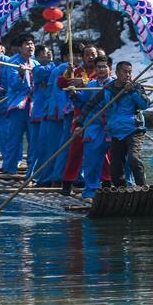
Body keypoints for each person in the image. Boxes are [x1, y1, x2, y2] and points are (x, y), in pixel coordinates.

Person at [71, 56, 115, 199]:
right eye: (99, 67)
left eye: (104, 66)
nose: (101, 69)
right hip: (93, 127)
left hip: (113, 127)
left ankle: (123, 188)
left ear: (110, 68)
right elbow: (82, 104)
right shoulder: (90, 85)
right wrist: (74, 95)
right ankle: (91, 190)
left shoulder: (117, 85)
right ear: (95, 70)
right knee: (91, 162)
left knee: (120, 161)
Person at [58, 43, 97, 195]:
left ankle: (104, 182)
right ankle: (67, 183)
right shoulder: (76, 71)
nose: (91, 57)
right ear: (83, 57)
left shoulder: (100, 71)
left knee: (102, 152)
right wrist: (68, 73)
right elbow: (61, 84)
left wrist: (85, 83)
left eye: (93, 54)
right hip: (80, 116)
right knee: (75, 151)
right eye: (87, 55)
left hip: (99, 118)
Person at [104, 61, 151, 187]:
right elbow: (93, 104)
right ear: (117, 73)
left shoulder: (136, 87)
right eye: (125, 72)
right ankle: (121, 190)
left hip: (134, 129)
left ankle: (142, 187)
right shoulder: (109, 89)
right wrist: (80, 122)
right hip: (116, 132)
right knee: (115, 166)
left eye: (129, 72)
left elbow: (145, 104)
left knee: (134, 158)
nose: (128, 75)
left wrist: (132, 92)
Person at [0, 33, 39, 174]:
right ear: (20, 48)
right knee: (14, 138)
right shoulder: (12, 63)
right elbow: (14, 85)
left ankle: (32, 169)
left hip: (34, 106)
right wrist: (21, 74)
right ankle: (10, 168)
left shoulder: (36, 63)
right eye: (27, 44)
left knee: (34, 139)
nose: (30, 46)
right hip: (18, 105)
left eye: (32, 44)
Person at [35, 42, 73, 186]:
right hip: (58, 113)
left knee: (53, 147)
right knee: (55, 147)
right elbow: (59, 94)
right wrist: (66, 111)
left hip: (57, 112)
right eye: (73, 55)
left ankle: (51, 177)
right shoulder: (61, 69)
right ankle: (51, 178)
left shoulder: (70, 69)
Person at [27, 44, 54, 177]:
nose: (48, 54)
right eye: (44, 53)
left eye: (49, 52)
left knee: (47, 145)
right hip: (38, 112)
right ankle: (31, 173)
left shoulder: (54, 68)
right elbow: (46, 72)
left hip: (50, 111)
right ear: (37, 57)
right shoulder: (37, 69)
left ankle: (42, 173)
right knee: (35, 145)